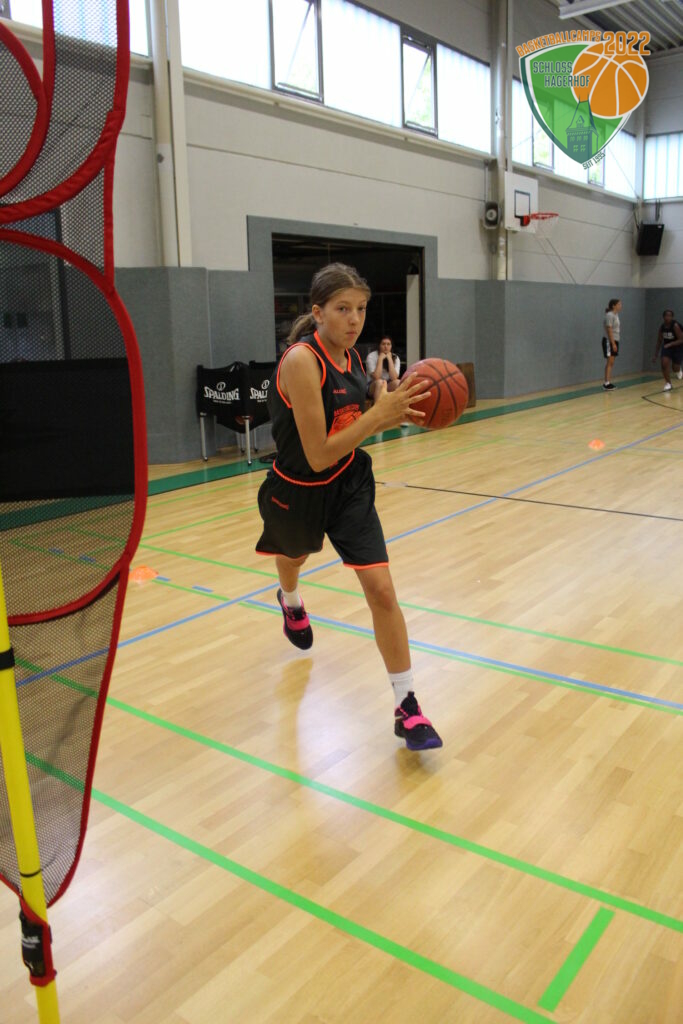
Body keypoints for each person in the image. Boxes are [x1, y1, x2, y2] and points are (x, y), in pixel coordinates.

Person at [255, 263, 442, 751]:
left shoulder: (355, 357)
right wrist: (379, 416)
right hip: (298, 487)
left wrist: (394, 406)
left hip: (349, 486)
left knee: (381, 590)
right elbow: (318, 453)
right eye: (343, 309)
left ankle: (408, 706)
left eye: (360, 309)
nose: (354, 319)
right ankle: (289, 599)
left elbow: (358, 419)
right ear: (317, 312)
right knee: (293, 558)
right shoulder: (302, 361)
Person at [652, 309, 683, 392]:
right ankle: (668, 384)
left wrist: (671, 344)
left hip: (677, 347)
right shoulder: (662, 327)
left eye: (670, 316)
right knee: (664, 363)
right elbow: (659, 341)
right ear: (663, 317)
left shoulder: (675, 326)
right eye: (666, 315)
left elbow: (681, 339)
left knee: (675, 368)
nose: (667, 317)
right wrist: (655, 355)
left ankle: (678, 370)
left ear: (672, 317)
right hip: (667, 347)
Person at [366, 335, 400, 403]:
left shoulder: (395, 357)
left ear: (391, 346)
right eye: (383, 344)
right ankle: (378, 409)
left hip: (388, 384)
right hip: (373, 385)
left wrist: (389, 359)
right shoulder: (371, 356)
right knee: (380, 382)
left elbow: (394, 378)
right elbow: (376, 377)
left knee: (398, 382)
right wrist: (380, 359)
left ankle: (396, 408)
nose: (386, 346)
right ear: (379, 345)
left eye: (388, 344)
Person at [602, 298, 621, 391]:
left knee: (611, 362)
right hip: (609, 341)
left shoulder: (615, 315)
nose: (620, 306)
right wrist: (613, 343)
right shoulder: (610, 315)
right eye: (619, 304)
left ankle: (608, 382)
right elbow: (609, 329)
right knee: (610, 362)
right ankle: (606, 383)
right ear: (613, 306)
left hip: (615, 340)